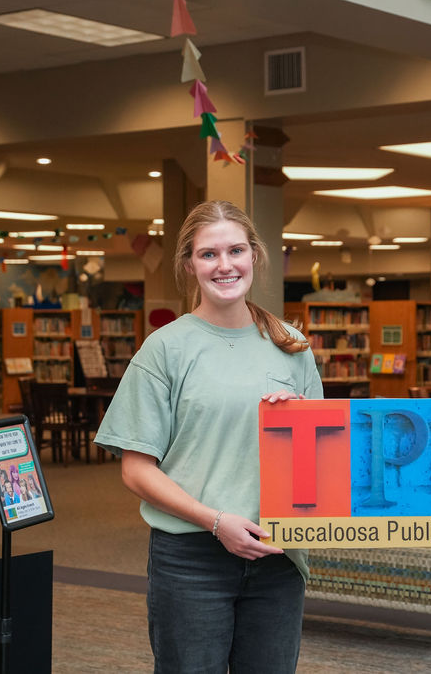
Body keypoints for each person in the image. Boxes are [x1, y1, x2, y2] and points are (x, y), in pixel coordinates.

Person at [93, 199, 324, 673]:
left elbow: (324, 459)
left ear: (255, 256)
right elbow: (136, 470)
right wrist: (216, 521)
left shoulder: (291, 346)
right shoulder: (165, 350)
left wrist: (301, 423)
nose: (225, 265)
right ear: (188, 265)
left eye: (236, 250)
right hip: (192, 559)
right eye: (208, 254)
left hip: (278, 555)